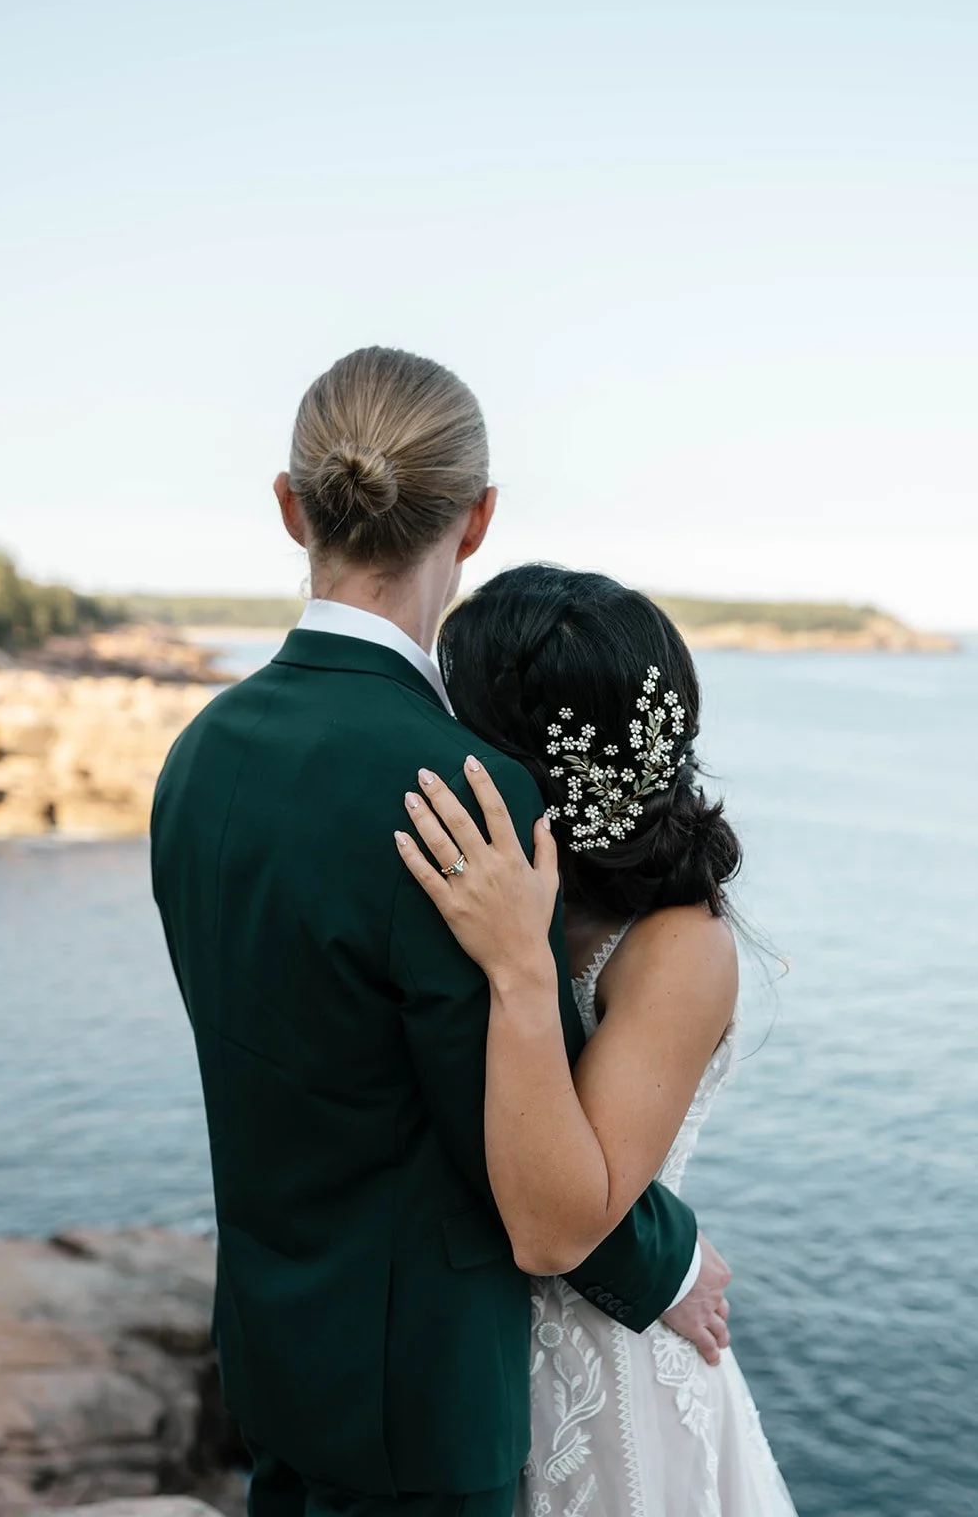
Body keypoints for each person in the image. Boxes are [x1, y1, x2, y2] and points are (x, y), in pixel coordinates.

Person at [150, 347, 730, 1517]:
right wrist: (661, 1256)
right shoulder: (463, 792)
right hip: (418, 1394)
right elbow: (500, 1124)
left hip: (273, 1348)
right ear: (475, 522)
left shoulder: (198, 754)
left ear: (288, 506)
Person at [393, 564, 797, 1517]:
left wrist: (519, 967)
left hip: (607, 1380)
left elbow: (552, 1227)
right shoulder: (466, 882)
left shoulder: (678, 948)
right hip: (462, 1362)